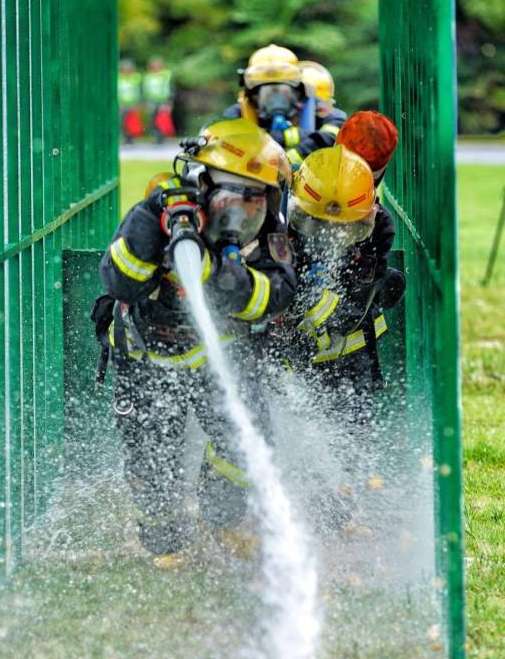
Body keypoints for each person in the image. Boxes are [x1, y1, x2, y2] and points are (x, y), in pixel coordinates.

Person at [93, 118, 296, 567]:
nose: (244, 214)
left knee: (244, 445)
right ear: (202, 187)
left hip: (219, 357)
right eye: (234, 199)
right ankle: (165, 538)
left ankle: (222, 517)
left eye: (257, 200)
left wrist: (221, 276)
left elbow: (276, 295)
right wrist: (155, 231)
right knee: (151, 461)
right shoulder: (153, 217)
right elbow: (120, 283)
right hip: (146, 357)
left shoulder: (267, 236)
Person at [268, 142, 406, 409]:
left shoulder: (379, 227)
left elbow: (355, 306)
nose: (328, 237)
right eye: (315, 223)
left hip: (349, 355)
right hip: (284, 354)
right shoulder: (274, 220)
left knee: (354, 423)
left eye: (347, 229)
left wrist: (340, 306)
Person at [225, 44, 346, 165]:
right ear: (254, 96)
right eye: (267, 93)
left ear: (297, 91)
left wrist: (293, 152)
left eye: (284, 91)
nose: (276, 99)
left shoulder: (314, 106)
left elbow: (336, 129)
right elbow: (223, 141)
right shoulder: (239, 112)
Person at [142, 56, 175, 143]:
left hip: (163, 101)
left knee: (162, 119)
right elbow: (145, 90)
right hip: (152, 101)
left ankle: (161, 137)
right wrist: (146, 101)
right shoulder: (147, 76)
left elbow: (171, 89)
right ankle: (156, 136)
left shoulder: (166, 75)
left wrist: (169, 102)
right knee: (153, 119)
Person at [118, 59, 143, 143]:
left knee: (132, 122)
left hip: (133, 104)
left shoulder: (136, 77)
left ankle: (130, 138)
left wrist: (139, 103)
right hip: (121, 104)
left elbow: (140, 91)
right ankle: (125, 137)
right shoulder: (119, 77)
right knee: (122, 121)